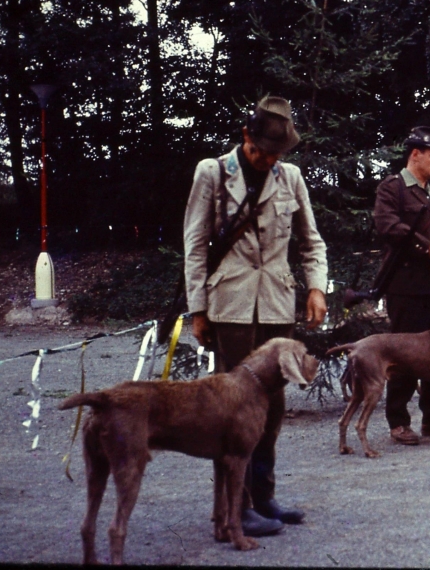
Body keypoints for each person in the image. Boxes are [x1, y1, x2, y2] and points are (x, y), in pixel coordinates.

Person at [183, 95, 328, 537]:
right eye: (262, 151)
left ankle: (263, 497)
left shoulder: (291, 177)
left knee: (273, 406)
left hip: (277, 305)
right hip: (230, 306)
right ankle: (236, 507)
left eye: (276, 153)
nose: (268, 160)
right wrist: (198, 309)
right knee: (234, 410)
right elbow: (195, 244)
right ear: (246, 135)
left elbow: (311, 241)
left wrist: (317, 287)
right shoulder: (212, 172)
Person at [372, 126, 430, 446]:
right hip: (406, 288)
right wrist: (428, 249)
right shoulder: (392, 188)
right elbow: (388, 226)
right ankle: (398, 422)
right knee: (405, 356)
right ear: (415, 155)